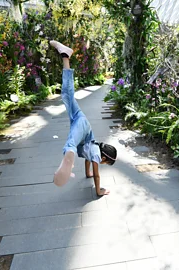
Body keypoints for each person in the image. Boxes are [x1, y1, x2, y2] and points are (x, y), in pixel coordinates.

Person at [50, 40, 117, 196]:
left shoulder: (92, 150)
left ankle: (65, 56)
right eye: (105, 163)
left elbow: (88, 162)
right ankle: (69, 152)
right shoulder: (96, 155)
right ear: (105, 158)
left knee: (67, 95)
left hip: (81, 123)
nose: (101, 164)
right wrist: (99, 191)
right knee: (72, 143)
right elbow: (97, 174)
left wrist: (87, 174)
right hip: (82, 127)